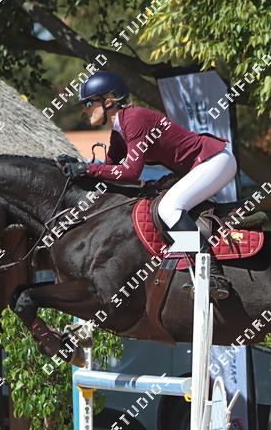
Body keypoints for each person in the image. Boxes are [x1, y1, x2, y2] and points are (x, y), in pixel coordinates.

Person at [56, 71, 237, 300]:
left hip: (214, 160)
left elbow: (131, 172)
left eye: (89, 104)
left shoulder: (135, 119)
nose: (85, 110)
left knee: (168, 208)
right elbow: (110, 170)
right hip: (202, 165)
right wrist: (79, 166)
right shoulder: (119, 131)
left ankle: (212, 273)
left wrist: (87, 169)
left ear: (109, 101)